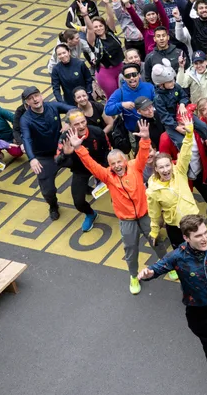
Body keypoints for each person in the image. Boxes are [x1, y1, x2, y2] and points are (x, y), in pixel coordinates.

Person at [139, 215, 207, 391]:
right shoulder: (178, 256)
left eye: (205, 233)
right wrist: (148, 274)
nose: (204, 239)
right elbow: (157, 268)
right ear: (186, 238)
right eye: (198, 236)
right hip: (197, 309)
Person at [70, 121, 167, 294]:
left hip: (145, 215)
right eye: (112, 163)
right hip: (126, 221)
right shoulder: (107, 176)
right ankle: (133, 276)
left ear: (125, 160)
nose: (116, 166)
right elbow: (91, 164)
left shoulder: (135, 166)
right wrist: (79, 149)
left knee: (156, 241)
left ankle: (167, 265)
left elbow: (144, 153)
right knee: (130, 249)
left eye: (119, 162)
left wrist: (145, 138)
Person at [146, 107, 201, 251]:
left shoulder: (180, 171)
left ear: (172, 164)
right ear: (156, 169)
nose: (166, 170)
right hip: (174, 226)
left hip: (193, 219)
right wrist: (154, 231)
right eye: (161, 167)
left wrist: (189, 136)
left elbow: (185, 154)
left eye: (167, 165)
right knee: (182, 253)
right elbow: (154, 212)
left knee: (200, 249)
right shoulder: (152, 190)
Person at [19, 86, 75, 221]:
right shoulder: (25, 120)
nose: (35, 99)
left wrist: (68, 121)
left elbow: (74, 109)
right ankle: (53, 205)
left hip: (62, 149)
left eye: (36, 96)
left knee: (82, 167)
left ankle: (84, 187)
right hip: (43, 157)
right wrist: (32, 159)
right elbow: (26, 138)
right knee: (48, 191)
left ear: (41, 95)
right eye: (30, 98)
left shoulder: (53, 106)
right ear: (27, 103)